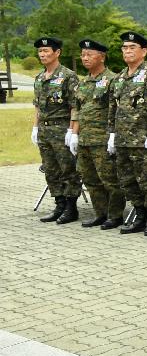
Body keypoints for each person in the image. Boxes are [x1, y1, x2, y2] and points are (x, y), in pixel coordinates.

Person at [109, 31, 147, 236]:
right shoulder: (120, 77)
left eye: (132, 47)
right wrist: (112, 134)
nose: (127, 51)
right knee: (127, 181)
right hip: (123, 139)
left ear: (144, 51)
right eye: (124, 48)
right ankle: (139, 215)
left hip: (143, 140)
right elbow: (113, 108)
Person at [70, 39, 124, 229]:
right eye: (83, 55)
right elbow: (77, 109)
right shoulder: (83, 82)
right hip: (85, 139)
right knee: (90, 179)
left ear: (101, 57)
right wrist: (73, 134)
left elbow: (117, 110)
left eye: (89, 55)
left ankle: (115, 215)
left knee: (109, 179)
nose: (85, 58)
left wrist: (113, 135)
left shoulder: (113, 80)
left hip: (102, 139)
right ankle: (100, 213)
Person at [32, 37, 82, 224]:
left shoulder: (68, 76)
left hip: (61, 129)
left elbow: (74, 107)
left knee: (68, 169)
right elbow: (37, 106)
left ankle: (71, 207)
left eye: (46, 51)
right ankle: (59, 204)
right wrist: (35, 127)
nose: (42, 55)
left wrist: (72, 131)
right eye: (40, 52)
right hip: (45, 131)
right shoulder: (39, 77)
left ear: (57, 53)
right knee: (51, 170)